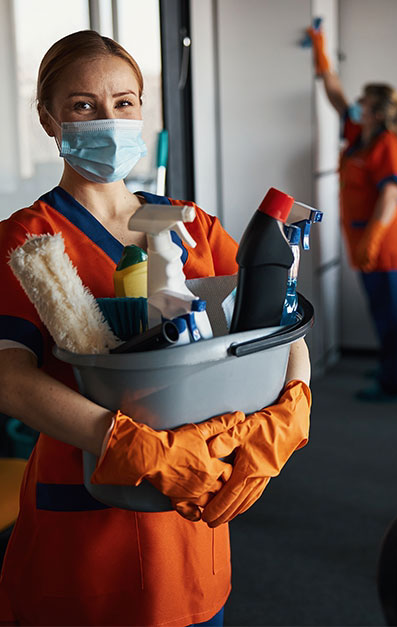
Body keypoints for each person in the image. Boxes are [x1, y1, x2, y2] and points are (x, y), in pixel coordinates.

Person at [0, 30, 311, 626]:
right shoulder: (29, 239)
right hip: (90, 522)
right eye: (82, 105)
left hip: (193, 510)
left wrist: (289, 411)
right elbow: (9, 380)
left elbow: (281, 322)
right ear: (49, 119)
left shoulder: (188, 223)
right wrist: (132, 448)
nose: (107, 118)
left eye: (124, 102)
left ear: (142, 109)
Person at [308, 22, 397, 402]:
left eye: (364, 102)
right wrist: (321, 56)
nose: (357, 104)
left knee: (389, 312)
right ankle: (392, 363)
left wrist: (372, 237)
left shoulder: (386, 145)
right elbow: (336, 97)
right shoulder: (359, 135)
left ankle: (393, 380)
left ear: (377, 111)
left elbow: (389, 196)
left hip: (383, 239)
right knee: (382, 308)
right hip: (365, 235)